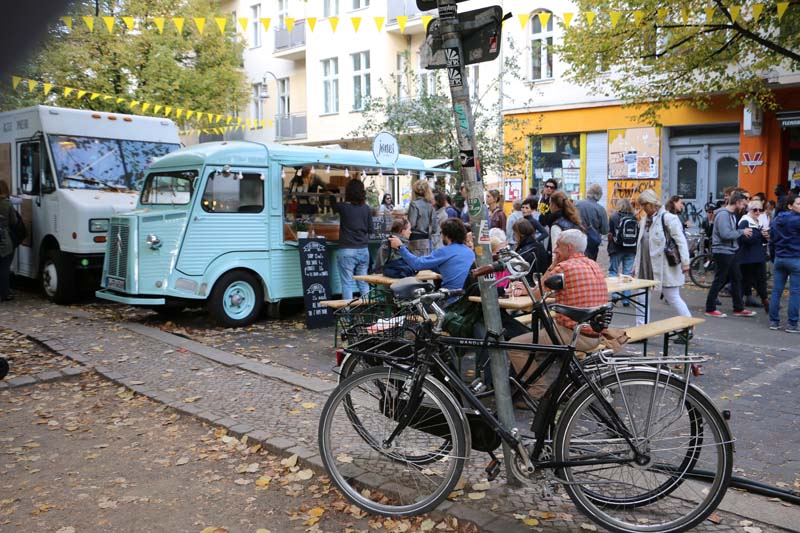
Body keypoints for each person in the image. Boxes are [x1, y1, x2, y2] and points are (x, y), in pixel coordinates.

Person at [507, 229, 607, 400]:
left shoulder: (563, 267)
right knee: (537, 338)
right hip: (596, 332)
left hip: (574, 334)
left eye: (558, 247)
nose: (554, 251)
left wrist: (552, 266)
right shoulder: (593, 264)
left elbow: (537, 297)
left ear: (569, 248)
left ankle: (537, 390)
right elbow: (567, 290)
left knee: (514, 345)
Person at [632, 189, 692, 326]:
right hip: (645, 265)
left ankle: (688, 327)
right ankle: (641, 328)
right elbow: (640, 245)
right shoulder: (643, 221)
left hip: (664, 265)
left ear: (652, 204)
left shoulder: (669, 218)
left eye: (644, 205)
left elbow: (681, 241)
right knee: (641, 298)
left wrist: (685, 262)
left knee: (672, 297)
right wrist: (636, 265)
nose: (643, 208)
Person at [704, 191, 756, 318]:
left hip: (730, 251)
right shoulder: (723, 215)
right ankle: (710, 308)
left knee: (737, 278)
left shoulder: (731, 214)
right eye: (743, 204)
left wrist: (739, 232)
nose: (745, 206)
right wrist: (742, 232)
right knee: (720, 279)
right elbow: (725, 234)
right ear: (737, 202)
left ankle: (738, 308)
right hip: (722, 251)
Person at [389, 217, 474, 293]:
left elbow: (417, 264)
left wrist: (400, 247)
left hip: (450, 300)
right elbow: (449, 267)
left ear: (447, 236)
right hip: (466, 299)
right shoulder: (469, 252)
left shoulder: (444, 251)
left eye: (442, 233)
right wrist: (430, 264)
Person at [330, 179, 372, 300]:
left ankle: (347, 318)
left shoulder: (343, 207)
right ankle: (367, 313)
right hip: (363, 250)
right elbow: (370, 229)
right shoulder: (366, 209)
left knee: (347, 283)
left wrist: (331, 196)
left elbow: (333, 205)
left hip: (347, 249)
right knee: (363, 282)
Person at [768, 194, 800, 333]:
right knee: (795, 292)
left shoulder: (776, 220)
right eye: (799, 203)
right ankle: (792, 324)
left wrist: (774, 257)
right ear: (790, 206)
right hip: (795, 258)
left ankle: (773, 321)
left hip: (780, 258)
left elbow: (772, 240)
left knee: (776, 291)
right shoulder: (797, 220)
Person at [737, 200, 769, 311]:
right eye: (755, 210)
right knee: (745, 281)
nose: (758, 212)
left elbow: (760, 240)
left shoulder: (757, 222)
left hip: (758, 256)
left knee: (761, 280)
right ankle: (738, 305)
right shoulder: (745, 221)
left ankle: (766, 302)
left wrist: (765, 236)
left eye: (760, 210)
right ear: (749, 210)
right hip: (747, 257)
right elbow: (743, 239)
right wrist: (760, 235)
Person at [607, 198, 638, 305]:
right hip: (631, 249)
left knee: (613, 271)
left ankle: (614, 295)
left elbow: (610, 233)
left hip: (616, 248)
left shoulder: (614, 217)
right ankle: (626, 299)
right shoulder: (634, 217)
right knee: (627, 273)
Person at [575, 183, 610, 253]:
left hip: (575, 239)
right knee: (589, 263)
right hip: (592, 242)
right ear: (599, 195)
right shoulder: (601, 209)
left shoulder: (576, 204)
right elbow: (605, 230)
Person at [0, 181, 20, 302]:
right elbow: (14, 222)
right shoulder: (6, 204)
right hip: (3, 241)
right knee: (4, 268)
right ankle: (4, 293)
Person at [407, 180, 436, 256]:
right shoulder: (431, 206)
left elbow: (411, 224)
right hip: (427, 239)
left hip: (415, 238)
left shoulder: (414, 204)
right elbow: (434, 228)